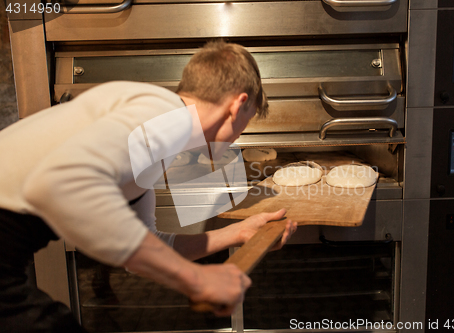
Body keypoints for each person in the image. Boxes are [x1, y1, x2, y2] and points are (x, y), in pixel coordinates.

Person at [0, 40, 297, 332]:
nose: (239, 135)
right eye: (249, 119)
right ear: (238, 105)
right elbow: (60, 181)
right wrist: (196, 279)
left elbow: (149, 247)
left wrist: (237, 233)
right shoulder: (167, 115)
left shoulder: (159, 132)